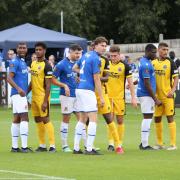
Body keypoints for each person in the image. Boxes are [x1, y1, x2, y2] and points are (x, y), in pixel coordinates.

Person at [72, 36, 106, 155]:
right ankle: (89, 148)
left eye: (105, 46)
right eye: (102, 45)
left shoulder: (85, 55)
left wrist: (82, 74)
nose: (104, 48)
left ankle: (76, 148)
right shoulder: (96, 58)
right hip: (87, 91)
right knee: (93, 118)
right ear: (95, 46)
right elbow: (97, 79)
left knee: (82, 118)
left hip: (80, 89)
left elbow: (74, 68)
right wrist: (101, 97)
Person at [52, 44, 84, 152]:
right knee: (66, 118)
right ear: (70, 52)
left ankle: (86, 144)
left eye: (79, 53)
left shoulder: (78, 64)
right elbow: (53, 79)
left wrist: (79, 79)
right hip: (66, 96)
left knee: (82, 119)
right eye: (76, 53)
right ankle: (64, 145)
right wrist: (64, 85)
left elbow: (77, 76)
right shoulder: (61, 64)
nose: (78, 55)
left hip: (77, 95)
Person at [107, 45, 137, 152]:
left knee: (120, 121)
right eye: (111, 56)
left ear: (119, 55)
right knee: (110, 119)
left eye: (115, 56)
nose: (113, 58)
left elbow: (130, 83)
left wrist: (133, 98)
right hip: (108, 97)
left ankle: (119, 143)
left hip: (119, 98)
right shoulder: (106, 64)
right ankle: (111, 143)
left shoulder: (125, 66)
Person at [28, 42, 56, 152]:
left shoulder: (47, 65)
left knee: (45, 119)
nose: (38, 51)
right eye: (36, 49)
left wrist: (45, 101)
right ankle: (42, 145)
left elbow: (49, 85)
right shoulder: (33, 64)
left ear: (44, 51)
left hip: (42, 96)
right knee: (37, 119)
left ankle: (52, 145)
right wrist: (25, 93)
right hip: (34, 96)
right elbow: (32, 81)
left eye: (40, 49)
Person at [152, 43, 179, 150]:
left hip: (168, 96)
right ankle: (160, 143)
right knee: (157, 118)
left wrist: (172, 91)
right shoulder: (153, 62)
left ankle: (173, 144)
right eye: (163, 49)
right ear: (158, 50)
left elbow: (176, 78)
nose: (166, 52)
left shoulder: (170, 62)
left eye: (167, 50)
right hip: (157, 97)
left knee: (170, 117)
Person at [7, 42, 32, 153]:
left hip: (21, 95)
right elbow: (9, 78)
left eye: (24, 48)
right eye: (20, 48)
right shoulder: (15, 62)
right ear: (17, 49)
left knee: (17, 119)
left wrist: (25, 94)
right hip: (17, 94)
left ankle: (15, 147)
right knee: (25, 117)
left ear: (26, 50)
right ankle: (24, 147)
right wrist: (18, 89)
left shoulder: (23, 62)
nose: (22, 49)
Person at [137, 44, 161, 150]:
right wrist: (155, 99)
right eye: (153, 52)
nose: (155, 54)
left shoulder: (144, 61)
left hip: (145, 94)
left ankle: (144, 143)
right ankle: (144, 144)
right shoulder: (146, 65)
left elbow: (143, 79)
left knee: (148, 117)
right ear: (147, 52)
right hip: (146, 94)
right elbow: (147, 83)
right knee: (147, 118)